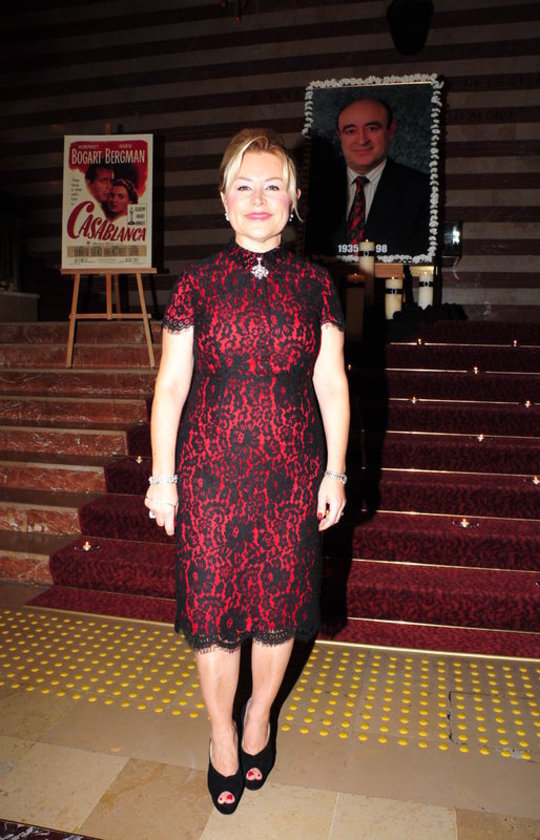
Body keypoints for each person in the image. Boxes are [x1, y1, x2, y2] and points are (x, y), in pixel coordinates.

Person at [145, 127, 350, 815]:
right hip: (210, 473)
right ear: (223, 200)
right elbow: (171, 386)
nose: (258, 198)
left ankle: (259, 713)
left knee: (279, 607)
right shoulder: (198, 283)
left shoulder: (316, 284)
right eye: (244, 185)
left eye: (272, 186)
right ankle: (222, 733)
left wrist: (336, 472)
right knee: (214, 611)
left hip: (292, 472)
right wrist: (163, 477)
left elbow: (331, 384)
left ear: (293, 199)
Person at [305, 98, 431, 260]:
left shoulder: (420, 189)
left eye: (372, 129)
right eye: (351, 131)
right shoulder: (317, 190)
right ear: (339, 135)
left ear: (390, 131)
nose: (362, 140)